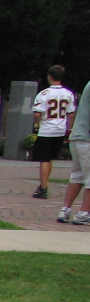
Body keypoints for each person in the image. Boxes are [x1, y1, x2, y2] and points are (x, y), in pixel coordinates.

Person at [33, 65, 77, 200]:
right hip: (60, 129)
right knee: (50, 158)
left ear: (50, 76)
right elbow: (71, 113)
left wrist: (37, 124)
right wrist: (69, 129)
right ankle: (44, 183)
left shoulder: (44, 94)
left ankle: (43, 188)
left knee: (44, 159)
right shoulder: (69, 94)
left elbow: (37, 114)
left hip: (47, 130)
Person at [59, 75, 90, 225]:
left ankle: (65, 210)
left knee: (77, 176)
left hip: (77, 136)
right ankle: (84, 213)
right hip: (87, 138)